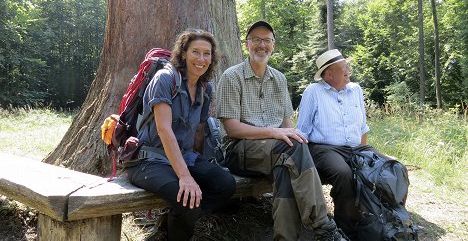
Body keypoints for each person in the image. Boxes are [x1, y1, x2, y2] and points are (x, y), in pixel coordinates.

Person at [217, 21, 347, 241]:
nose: (262, 45)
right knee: (291, 149)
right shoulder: (232, 76)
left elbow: (287, 124)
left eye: (267, 40)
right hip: (237, 151)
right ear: (247, 44)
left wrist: (288, 135)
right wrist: (275, 133)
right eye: (256, 39)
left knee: (287, 170)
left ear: (273, 45)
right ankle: (324, 228)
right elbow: (232, 128)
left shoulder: (279, 79)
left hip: (276, 152)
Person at [126, 29, 236, 241]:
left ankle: (171, 225)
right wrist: (186, 177)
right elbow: (164, 129)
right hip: (149, 160)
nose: (201, 59)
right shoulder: (165, 79)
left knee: (225, 184)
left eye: (207, 53)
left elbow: (199, 131)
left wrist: (202, 167)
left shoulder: (205, 87)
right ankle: (180, 221)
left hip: (184, 156)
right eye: (196, 52)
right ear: (183, 53)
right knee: (186, 199)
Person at [296, 49, 398, 240]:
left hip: (355, 148)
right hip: (323, 148)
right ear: (328, 74)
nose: (348, 71)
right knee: (344, 173)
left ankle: (385, 222)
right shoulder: (314, 92)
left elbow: (362, 127)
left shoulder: (356, 89)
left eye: (347, 67)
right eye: (343, 68)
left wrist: (362, 155)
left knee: (390, 168)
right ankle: (346, 230)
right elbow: (302, 131)